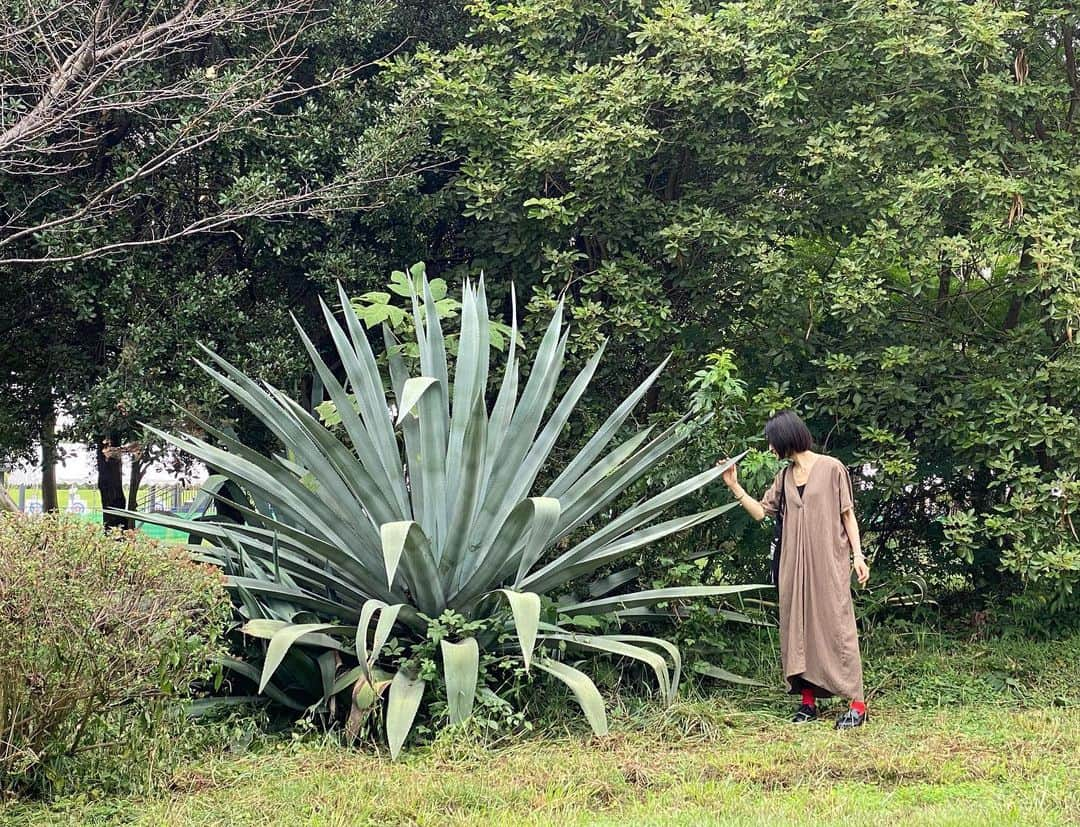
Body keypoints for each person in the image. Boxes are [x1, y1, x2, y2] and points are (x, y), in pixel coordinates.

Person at [721, 410, 870, 729]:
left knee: (837, 626)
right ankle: (808, 702)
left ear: (786, 438)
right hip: (792, 565)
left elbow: (847, 515)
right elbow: (761, 513)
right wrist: (735, 486)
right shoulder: (784, 477)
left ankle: (857, 703)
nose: (770, 449)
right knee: (797, 628)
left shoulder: (832, 468)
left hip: (828, 562)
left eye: (772, 442)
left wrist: (858, 556)